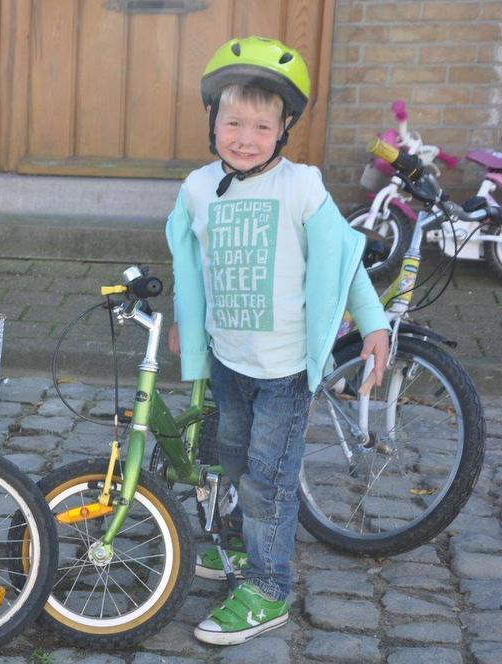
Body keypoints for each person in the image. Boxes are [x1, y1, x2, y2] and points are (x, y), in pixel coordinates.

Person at [165, 36, 390, 646]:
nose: (244, 137)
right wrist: (186, 317)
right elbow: (192, 263)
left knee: (268, 479)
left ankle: (268, 588)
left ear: (284, 128)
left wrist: (374, 324)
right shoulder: (197, 189)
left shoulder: (301, 187)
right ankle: (239, 548)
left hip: (286, 368)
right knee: (230, 461)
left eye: (261, 126)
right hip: (230, 363)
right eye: (233, 122)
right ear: (213, 120)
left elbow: (343, 260)